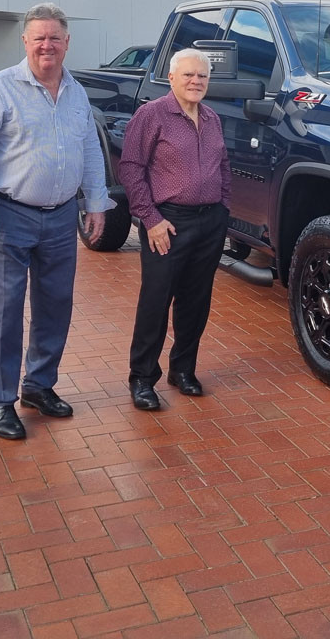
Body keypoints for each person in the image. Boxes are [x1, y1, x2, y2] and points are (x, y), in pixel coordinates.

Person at [0, 3, 114, 440]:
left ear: (66, 42)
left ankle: (38, 386)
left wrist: (96, 202)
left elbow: (91, 153)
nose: (47, 44)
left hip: (61, 218)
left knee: (55, 305)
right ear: (25, 41)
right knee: (3, 313)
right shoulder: (0, 89)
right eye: (39, 37)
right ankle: (1, 401)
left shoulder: (76, 92)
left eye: (55, 37)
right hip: (8, 216)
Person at [118, 48, 231, 411]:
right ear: (171, 78)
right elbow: (131, 169)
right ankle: (142, 378)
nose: (196, 81)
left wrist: (223, 209)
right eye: (188, 75)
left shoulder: (212, 118)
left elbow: (223, 165)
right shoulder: (151, 115)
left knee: (196, 301)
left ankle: (183, 369)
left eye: (202, 76)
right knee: (156, 301)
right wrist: (150, 220)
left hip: (209, 221)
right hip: (168, 223)